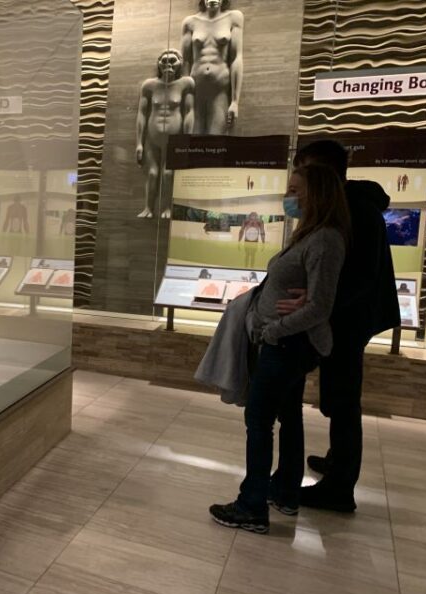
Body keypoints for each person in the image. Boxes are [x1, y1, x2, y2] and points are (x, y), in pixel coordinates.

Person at [210, 163, 350, 534]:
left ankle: (251, 505)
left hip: (287, 345)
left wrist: (273, 330)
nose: (288, 197)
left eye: (295, 190)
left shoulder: (325, 240)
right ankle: (285, 490)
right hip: (283, 342)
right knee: (287, 415)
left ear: (315, 193)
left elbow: (320, 305)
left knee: (258, 420)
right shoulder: (311, 235)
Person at [277, 140, 399, 512]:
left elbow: (359, 276)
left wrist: (316, 303)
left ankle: (339, 487)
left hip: (349, 319)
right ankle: (336, 463)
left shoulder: (358, 211)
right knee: (337, 394)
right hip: (340, 316)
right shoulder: (348, 207)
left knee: (343, 400)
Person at [135, 49, 194, 218]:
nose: (168, 64)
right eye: (164, 61)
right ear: (158, 64)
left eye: (172, 60)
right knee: (152, 173)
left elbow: (190, 112)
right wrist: (139, 142)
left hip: (174, 138)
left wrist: (187, 139)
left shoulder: (186, 83)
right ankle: (148, 208)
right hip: (152, 137)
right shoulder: (149, 86)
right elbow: (141, 114)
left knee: (168, 174)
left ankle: (167, 208)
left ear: (179, 63)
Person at [181, 0, 244, 134]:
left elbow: (236, 58)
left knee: (215, 141)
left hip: (219, 89)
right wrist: (185, 96)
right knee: (193, 140)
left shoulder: (234, 18)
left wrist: (235, 101)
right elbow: (185, 61)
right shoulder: (190, 22)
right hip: (196, 89)